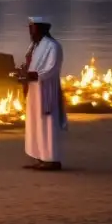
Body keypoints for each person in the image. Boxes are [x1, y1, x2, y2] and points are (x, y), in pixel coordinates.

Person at [17, 16, 69, 171]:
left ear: (41, 28)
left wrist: (34, 75)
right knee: (35, 123)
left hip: (47, 90)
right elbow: (30, 66)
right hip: (34, 90)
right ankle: (40, 157)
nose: (30, 31)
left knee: (47, 124)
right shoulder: (35, 46)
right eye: (29, 28)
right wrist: (22, 73)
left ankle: (52, 160)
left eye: (33, 28)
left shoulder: (53, 46)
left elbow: (52, 69)